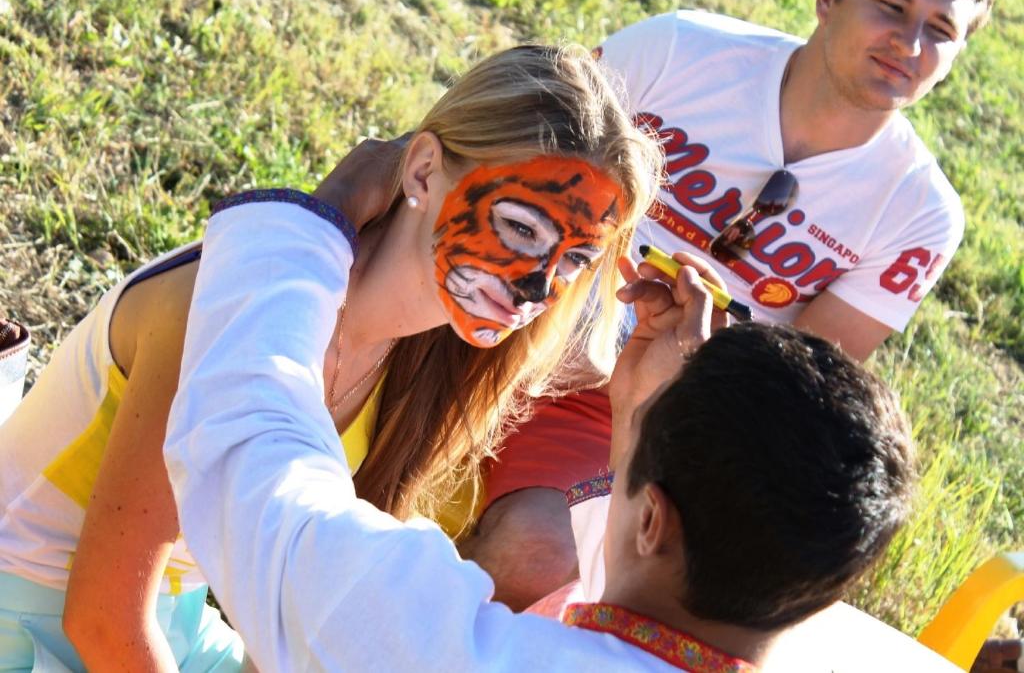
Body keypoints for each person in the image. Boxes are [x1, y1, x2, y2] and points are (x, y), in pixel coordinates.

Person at [0, 44, 662, 671]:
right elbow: (100, 616)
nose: (538, 287)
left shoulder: (430, 359)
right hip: (29, 622)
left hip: (171, 627)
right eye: (519, 228)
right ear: (424, 171)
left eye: (574, 260)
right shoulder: (221, 311)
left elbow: (300, 611)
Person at [462, 0, 1002, 611]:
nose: (911, 42)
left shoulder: (919, 212)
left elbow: (780, 389)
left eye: (942, 30)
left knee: (536, 554)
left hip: (632, 409)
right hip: (506, 305)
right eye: (891, 6)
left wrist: (684, 351)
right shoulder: (682, 48)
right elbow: (505, 157)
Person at [161, 184, 919, 670]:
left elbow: (247, 459)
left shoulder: (449, 649)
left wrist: (313, 225)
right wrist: (642, 408)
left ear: (652, 521)